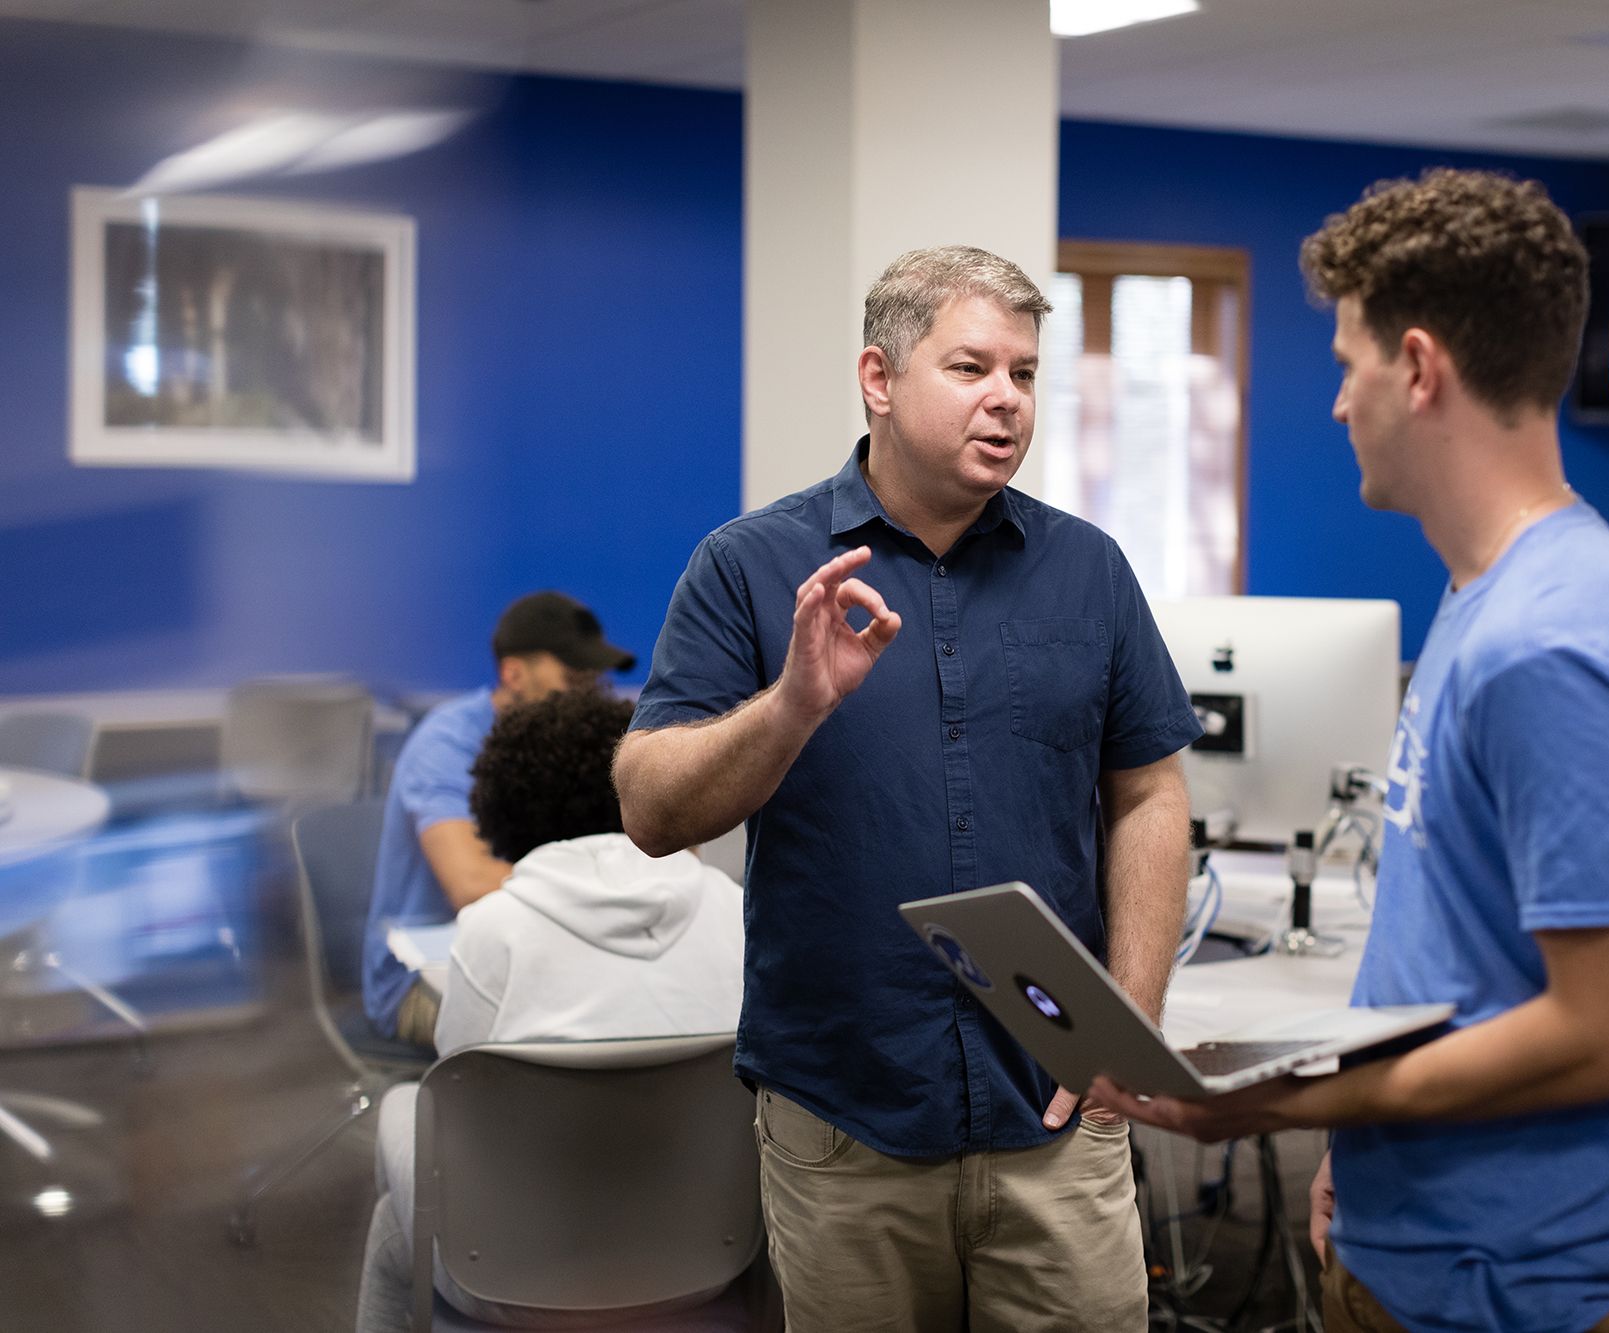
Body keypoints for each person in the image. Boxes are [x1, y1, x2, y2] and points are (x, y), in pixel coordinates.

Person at [1090, 169, 1609, 1333]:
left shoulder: (1553, 641)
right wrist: (1355, 1133)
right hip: (1436, 1239)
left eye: (1348, 364)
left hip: (1524, 1285)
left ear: (1421, 368)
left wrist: (1284, 1101)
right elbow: (1469, 954)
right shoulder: (1486, 594)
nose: (1338, 404)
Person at [613, 244, 1203, 1332]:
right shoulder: (750, 566)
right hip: (847, 1116)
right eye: (971, 367)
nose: (1006, 400)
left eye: (1023, 374)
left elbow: (1148, 795)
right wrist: (789, 706)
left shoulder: (1089, 570)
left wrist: (1129, 1023)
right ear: (878, 380)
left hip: (1057, 1112)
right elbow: (649, 807)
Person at [355, 688, 746, 1333]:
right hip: (710, 1261)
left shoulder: (490, 929)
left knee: (405, 1128)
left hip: (509, 1277)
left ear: (502, 802)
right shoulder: (729, 907)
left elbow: (463, 1100)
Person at [361, 589, 636, 1045]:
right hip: (424, 979)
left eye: (595, 682)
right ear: (512, 673)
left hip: (539, 956)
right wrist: (606, 896)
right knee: (580, 1034)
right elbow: (468, 884)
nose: (587, 696)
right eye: (573, 679)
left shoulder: (576, 745)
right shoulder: (445, 745)